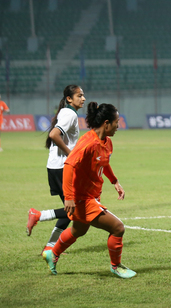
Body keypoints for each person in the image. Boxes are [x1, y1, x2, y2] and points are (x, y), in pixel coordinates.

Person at [42, 102, 135, 278]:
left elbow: (104, 163)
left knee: (79, 230)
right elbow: (69, 165)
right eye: (116, 122)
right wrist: (68, 197)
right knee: (118, 228)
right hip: (81, 198)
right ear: (106, 123)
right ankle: (116, 266)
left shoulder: (107, 142)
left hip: (92, 195)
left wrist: (114, 181)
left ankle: (52, 253)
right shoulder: (88, 142)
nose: (118, 126)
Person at [27, 85, 85, 255]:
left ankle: (50, 246)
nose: (83, 98)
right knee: (75, 210)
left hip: (56, 166)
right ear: (69, 98)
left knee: (72, 210)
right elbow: (54, 134)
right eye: (79, 95)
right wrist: (71, 154)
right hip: (63, 168)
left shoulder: (65, 112)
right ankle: (38, 215)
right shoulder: (69, 113)